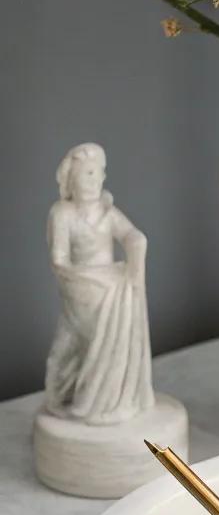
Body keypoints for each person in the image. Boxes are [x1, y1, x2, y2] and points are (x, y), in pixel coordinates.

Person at [44, 143, 154, 424]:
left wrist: (136, 243)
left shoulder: (107, 210)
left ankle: (110, 403)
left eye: (99, 173)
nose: (96, 180)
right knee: (70, 347)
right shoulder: (63, 213)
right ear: (71, 179)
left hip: (110, 286)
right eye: (88, 174)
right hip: (81, 288)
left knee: (118, 317)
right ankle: (67, 397)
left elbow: (130, 233)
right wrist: (86, 279)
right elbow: (59, 260)